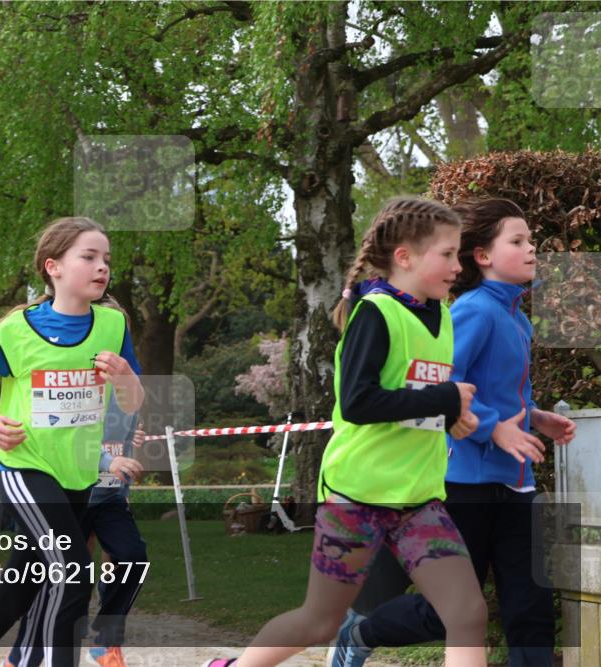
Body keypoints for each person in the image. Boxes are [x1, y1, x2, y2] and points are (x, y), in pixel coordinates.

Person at [204, 198, 488, 667]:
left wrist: (455, 415)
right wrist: (444, 399)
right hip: (357, 497)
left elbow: (415, 396)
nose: (458, 266)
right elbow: (358, 403)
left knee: (467, 614)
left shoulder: (441, 317)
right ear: (405, 257)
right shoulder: (375, 313)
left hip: (417, 500)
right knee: (320, 623)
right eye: (447, 254)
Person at [329, 198, 577, 667]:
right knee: (450, 613)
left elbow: (502, 393)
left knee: (531, 609)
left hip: (515, 483)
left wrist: (534, 416)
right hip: (465, 484)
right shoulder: (474, 312)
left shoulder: (516, 317)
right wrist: (492, 429)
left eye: (532, 241)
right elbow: (440, 383)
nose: (532, 250)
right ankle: (361, 632)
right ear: (482, 255)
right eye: (518, 241)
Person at [0, 216, 144, 667]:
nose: (103, 267)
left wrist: (123, 377)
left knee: (22, 582)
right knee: (72, 572)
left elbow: (134, 398)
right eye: (89, 257)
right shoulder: (17, 330)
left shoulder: (113, 325)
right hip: (24, 464)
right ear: (53, 266)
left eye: (107, 259)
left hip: (78, 472)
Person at [5, 402, 148, 667]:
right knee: (52, 576)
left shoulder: (128, 399)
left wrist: (124, 494)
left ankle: (106, 642)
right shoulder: (75, 394)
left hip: (109, 499)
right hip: (70, 495)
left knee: (134, 558)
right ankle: (23, 654)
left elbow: (125, 452)